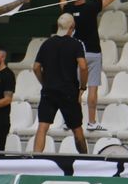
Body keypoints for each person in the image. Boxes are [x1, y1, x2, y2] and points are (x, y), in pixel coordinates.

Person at [60, 0, 128, 131]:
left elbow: (61, 4)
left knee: (75, 89)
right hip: (93, 52)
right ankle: (92, 122)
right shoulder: (91, 6)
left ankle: (71, 121)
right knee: (92, 88)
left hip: (76, 54)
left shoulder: (68, 9)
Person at [33, 13, 88, 154]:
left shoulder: (47, 43)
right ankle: (85, 158)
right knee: (77, 128)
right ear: (72, 27)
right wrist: (82, 87)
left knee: (42, 126)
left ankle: (35, 159)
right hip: (69, 90)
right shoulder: (76, 44)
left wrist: (44, 82)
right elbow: (83, 66)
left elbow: (36, 67)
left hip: (49, 89)